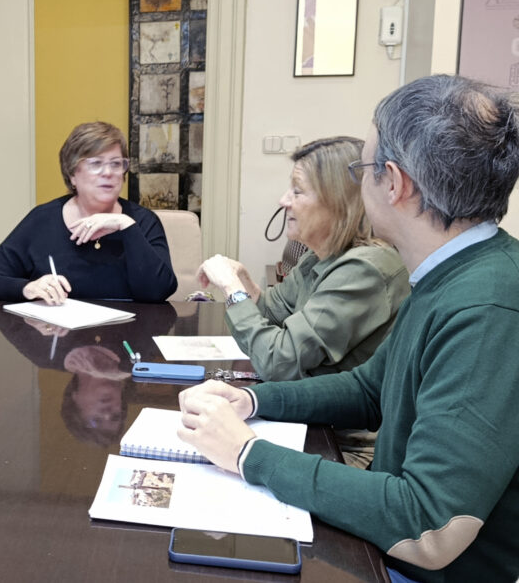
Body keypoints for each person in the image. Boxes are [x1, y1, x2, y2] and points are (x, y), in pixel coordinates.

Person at [176, 75, 519, 582]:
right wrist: (252, 400)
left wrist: (248, 454)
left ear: (394, 183)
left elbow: (428, 526)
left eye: (363, 169)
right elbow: (369, 388)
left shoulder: (486, 307)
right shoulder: (450, 274)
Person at [196, 137, 410, 467]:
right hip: (307, 422)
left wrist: (231, 289)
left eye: (297, 191)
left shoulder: (365, 269)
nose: (284, 201)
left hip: (342, 445)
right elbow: (272, 313)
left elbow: (276, 360)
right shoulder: (324, 256)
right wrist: (246, 284)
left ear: (338, 202)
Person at [0, 121, 177, 303]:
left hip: (128, 334)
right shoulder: (43, 219)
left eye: (116, 164)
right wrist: (27, 288)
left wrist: (126, 226)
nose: (108, 172)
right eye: (96, 164)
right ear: (72, 174)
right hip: (59, 334)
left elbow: (158, 292)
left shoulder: (143, 221)